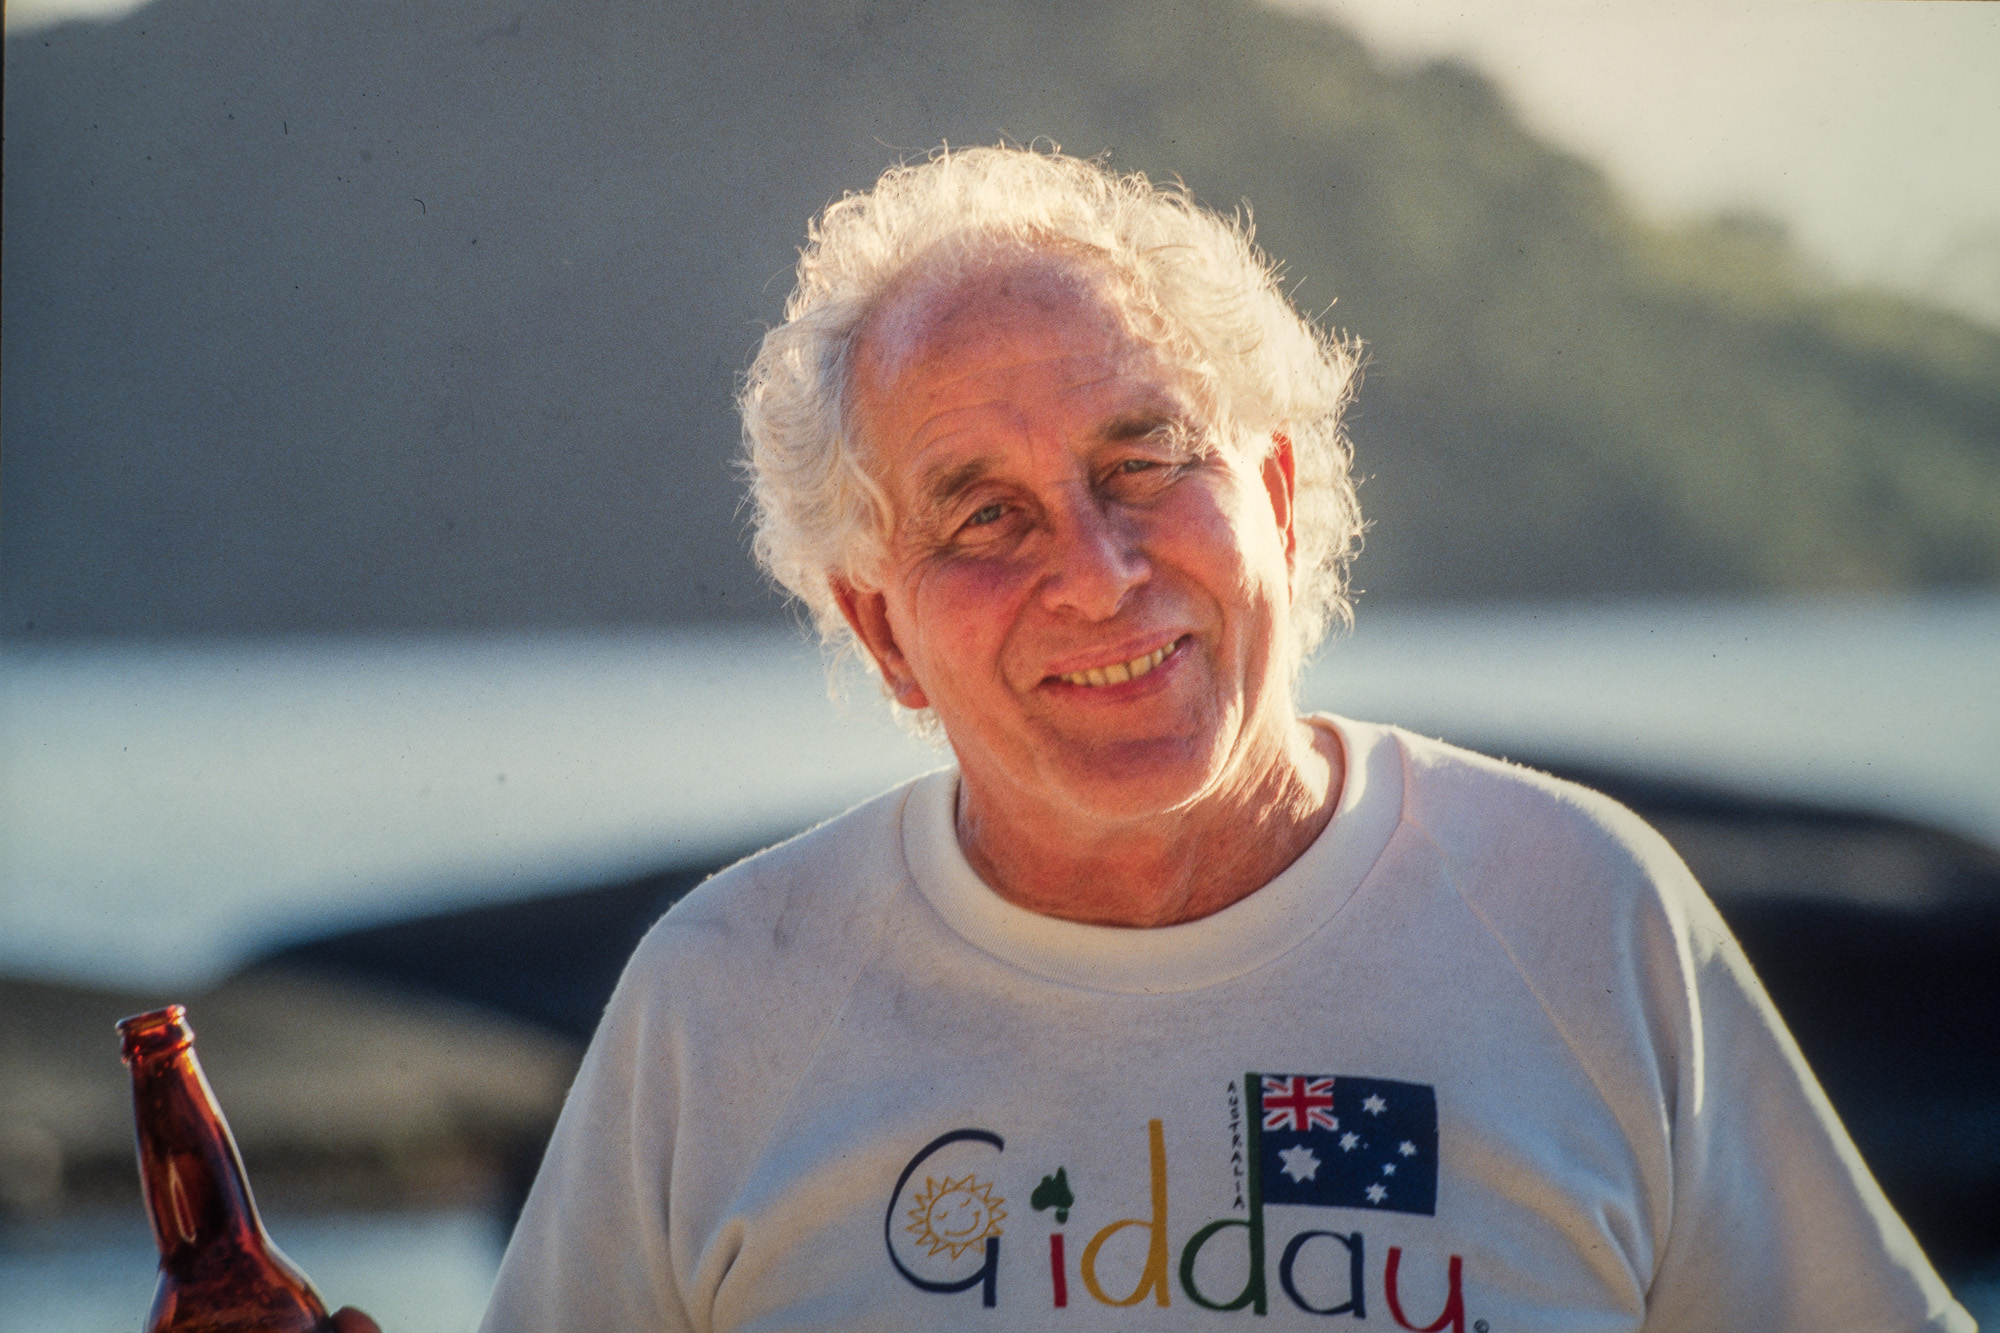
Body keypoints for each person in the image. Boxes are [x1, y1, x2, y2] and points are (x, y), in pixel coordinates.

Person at [475, 147, 1972, 1331]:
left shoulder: (1582, 909)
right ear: (883, 632)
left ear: (1275, 489)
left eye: (1148, 460)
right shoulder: (724, 999)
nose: (1100, 569)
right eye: (985, 513)